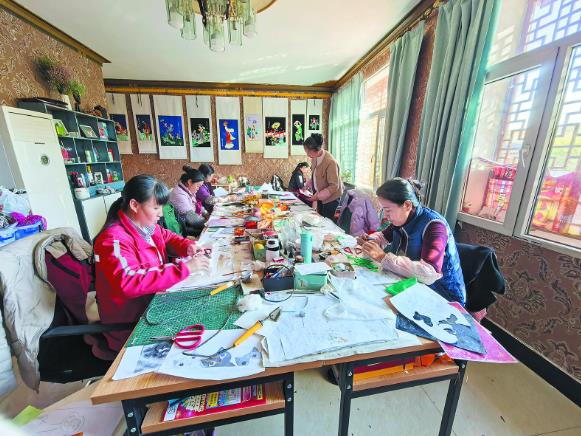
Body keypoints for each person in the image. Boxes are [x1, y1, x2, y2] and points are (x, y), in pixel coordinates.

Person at [94, 175, 209, 352]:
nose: (160, 213)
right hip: (134, 324)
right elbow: (128, 281)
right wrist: (185, 268)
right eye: (155, 208)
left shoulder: (147, 226)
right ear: (134, 205)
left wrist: (187, 246)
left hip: (154, 303)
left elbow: (168, 237)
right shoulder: (113, 240)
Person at [359, 178, 466, 305]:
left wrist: (382, 257)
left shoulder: (434, 226)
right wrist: (371, 241)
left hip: (443, 294)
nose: (385, 216)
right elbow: (383, 236)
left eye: (388, 210)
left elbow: (429, 273)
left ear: (407, 205)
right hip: (416, 283)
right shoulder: (403, 218)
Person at [303, 133, 343, 220]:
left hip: (331, 198)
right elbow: (316, 174)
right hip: (320, 194)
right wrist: (309, 184)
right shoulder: (315, 157)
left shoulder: (330, 162)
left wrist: (317, 196)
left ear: (316, 150)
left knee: (326, 221)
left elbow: (334, 186)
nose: (307, 154)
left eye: (308, 152)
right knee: (320, 218)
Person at [169, 165, 207, 236]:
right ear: (189, 182)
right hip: (183, 227)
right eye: (198, 186)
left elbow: (196, 205)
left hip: (189, 223)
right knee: (207, 232)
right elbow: (192, 219)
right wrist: (209, 223)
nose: (198, 188)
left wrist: (206, 213)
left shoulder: (188, 190)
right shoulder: (179, 194)